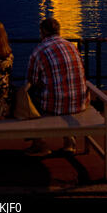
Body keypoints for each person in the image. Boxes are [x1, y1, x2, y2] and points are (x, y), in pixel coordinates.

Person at [26, 17, 90, 155]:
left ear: (42, 32)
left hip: (54, 106)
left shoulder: (39, 51)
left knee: (30, 96)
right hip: (80, 103)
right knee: (64, 90)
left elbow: (32, 81)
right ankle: (69, 142)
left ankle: (39, 143)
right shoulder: (72, 46)